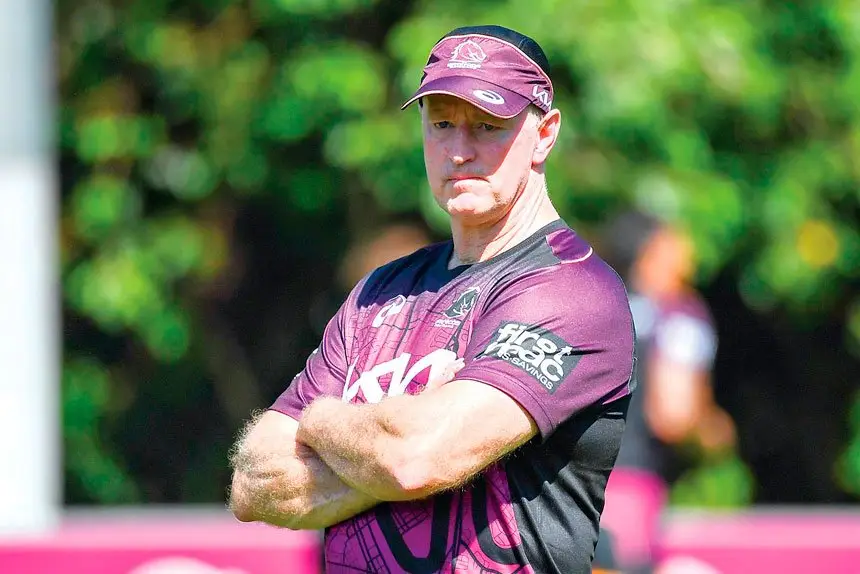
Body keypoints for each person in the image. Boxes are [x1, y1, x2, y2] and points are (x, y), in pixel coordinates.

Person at [228, 25, 635, 573]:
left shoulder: (573, 289)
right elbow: (253, 482)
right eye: (442, 123)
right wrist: (387, 441)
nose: (460, 150)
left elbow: (417, 457)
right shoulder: (380, 291)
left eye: (487, 126)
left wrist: (322, 422)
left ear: (545, 134)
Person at [597, 211, 736, 574]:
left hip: (568, 487)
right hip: (630, 489)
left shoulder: (595, 310)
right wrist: (711, 431)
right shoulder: (679, 319)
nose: (689, 258)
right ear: (652, 253)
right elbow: (672, 415)